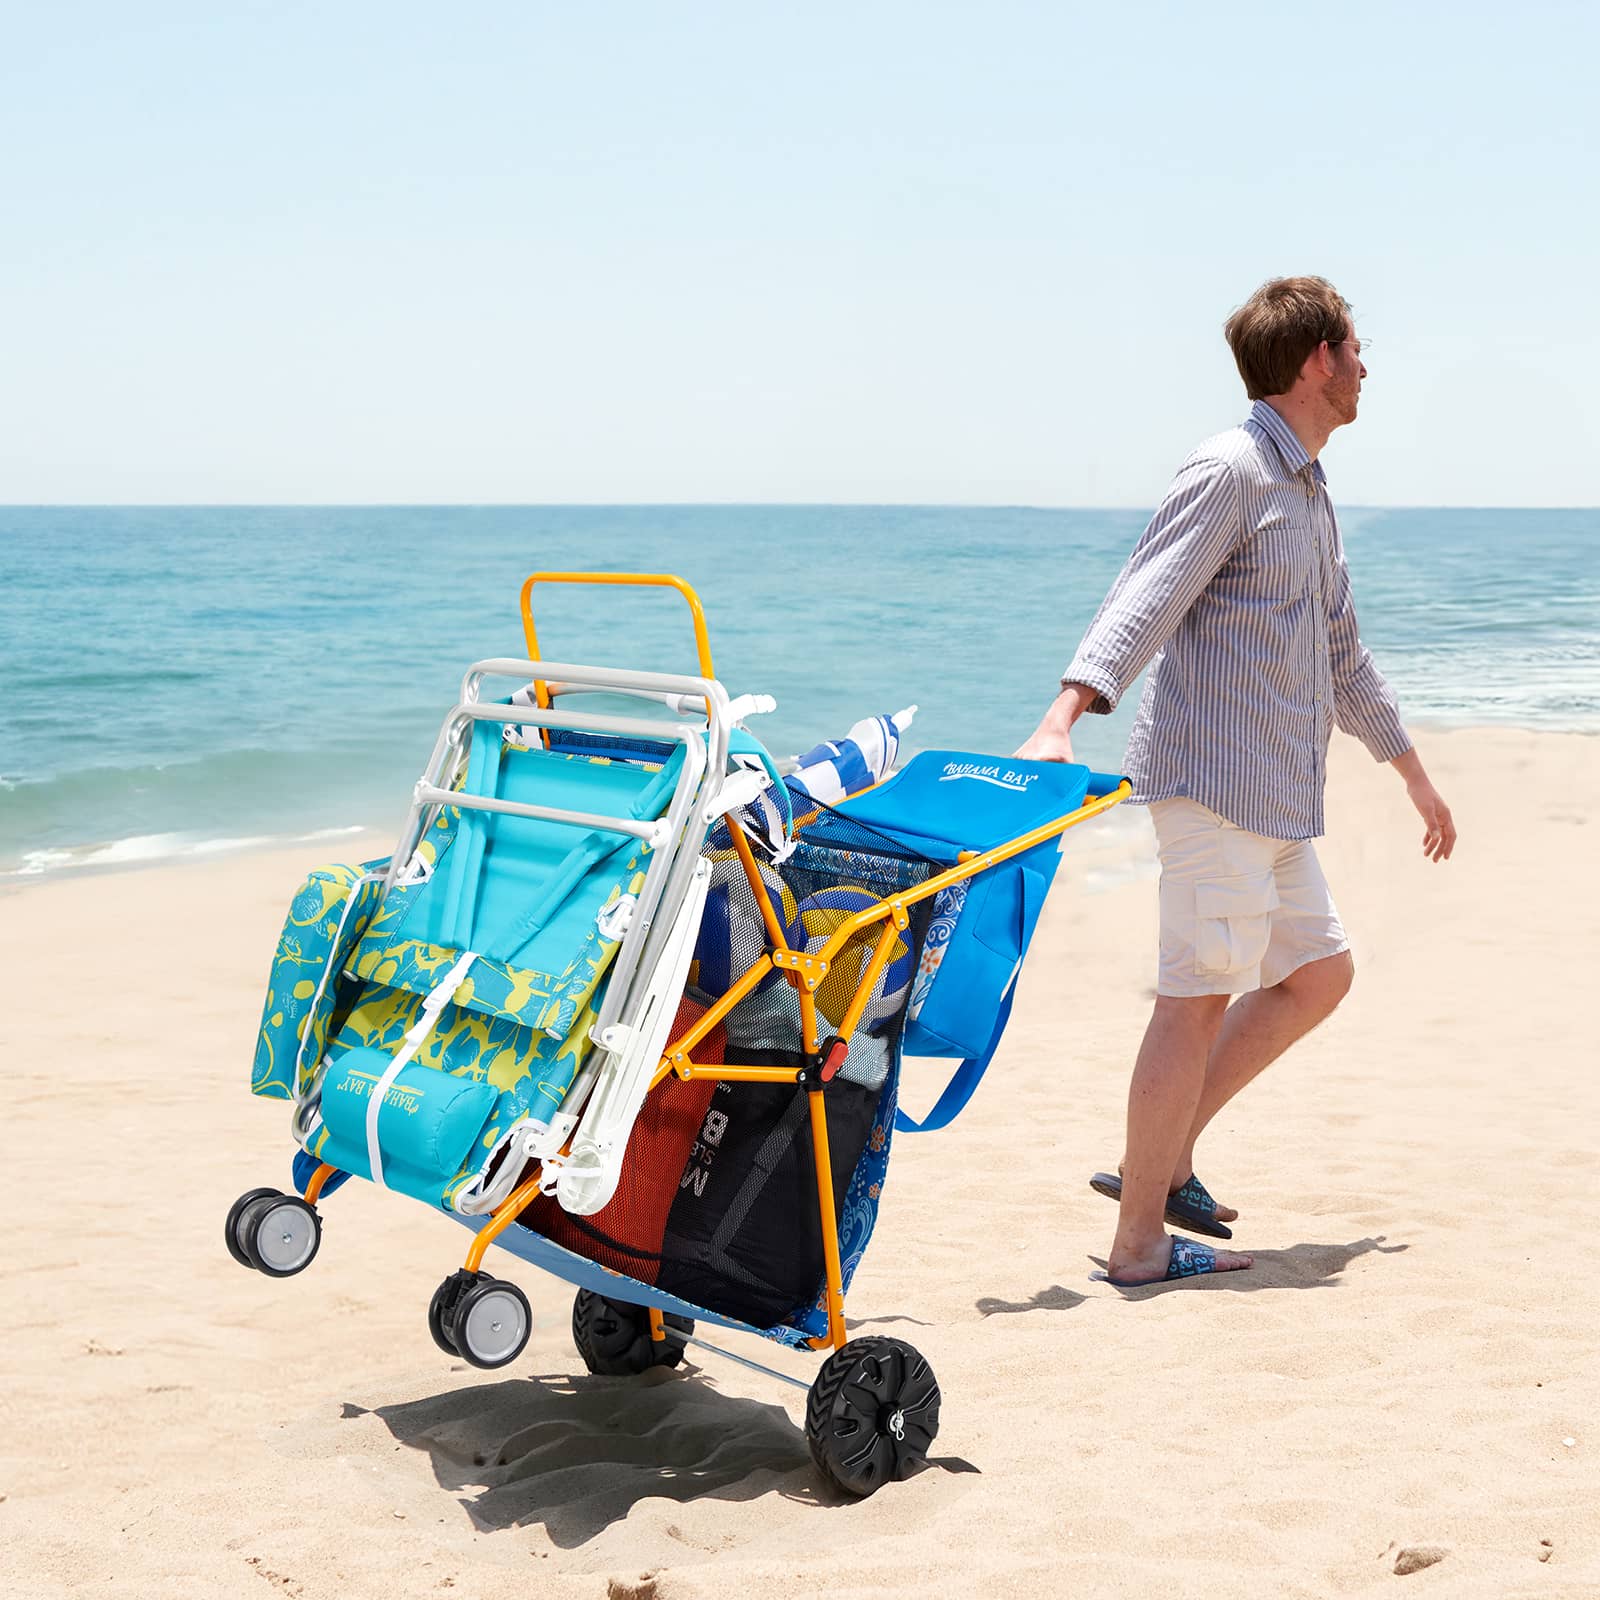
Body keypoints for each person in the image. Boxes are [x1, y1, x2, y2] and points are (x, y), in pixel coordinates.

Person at [1017, 276, 1456, 1288]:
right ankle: (1136, 1241)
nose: (1363, 366)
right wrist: (1061, 717)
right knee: (1193, 997)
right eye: (1353, 348)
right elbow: (1144, 597)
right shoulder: (1231, 471)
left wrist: (1413, 776)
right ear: (1313, 362)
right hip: (1210, 784)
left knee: (1318, 973)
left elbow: (1342, 653)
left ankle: (1159, 1164)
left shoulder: (1305, 490)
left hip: (1275, 793)